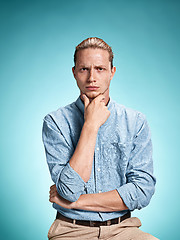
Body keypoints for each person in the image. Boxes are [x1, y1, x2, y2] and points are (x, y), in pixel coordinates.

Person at [42, 37, 158, 240]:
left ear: (112, 73)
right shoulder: (55, 122)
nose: (92, 78)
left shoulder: (136, 121)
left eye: (100, 69)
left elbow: (142, 191)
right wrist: (90, 125)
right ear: (74, 73)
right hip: (71, 230)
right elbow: (69, 190)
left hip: (124, 229)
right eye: (84, 69)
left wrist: (77, 202)